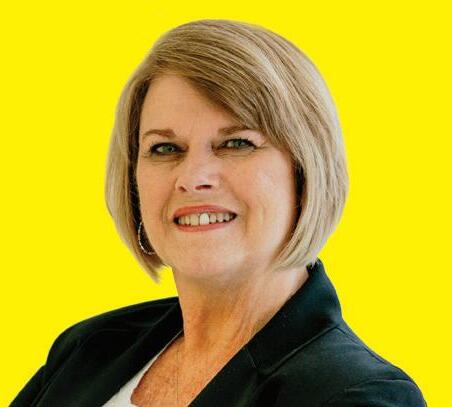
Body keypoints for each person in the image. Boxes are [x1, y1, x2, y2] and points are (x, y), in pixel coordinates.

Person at [11, 19, 426, 407]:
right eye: (165, 148)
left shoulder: (357, 395)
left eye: (237, 143)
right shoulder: (88, 347)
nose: (193, 178)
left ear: (305, 170)